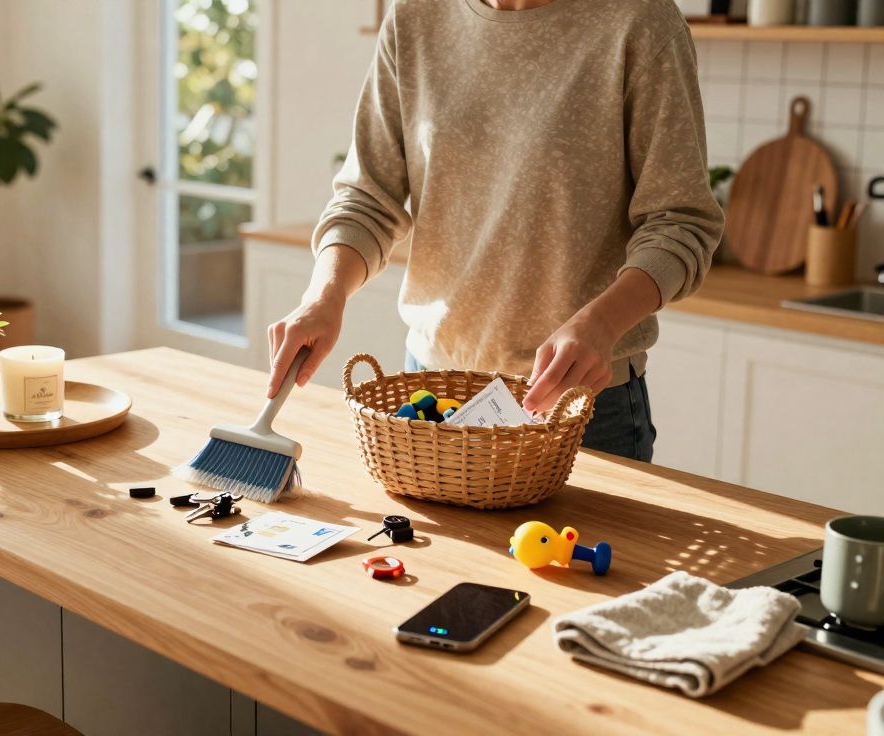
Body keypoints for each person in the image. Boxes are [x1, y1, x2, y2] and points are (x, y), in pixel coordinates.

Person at [266, 0, 724, 463]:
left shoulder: (641, 22)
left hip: (579, 402)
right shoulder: (415, 17)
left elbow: (680, 220)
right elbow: (368, 196)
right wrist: (324, 296)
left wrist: (601, 322)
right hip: (432, 390)